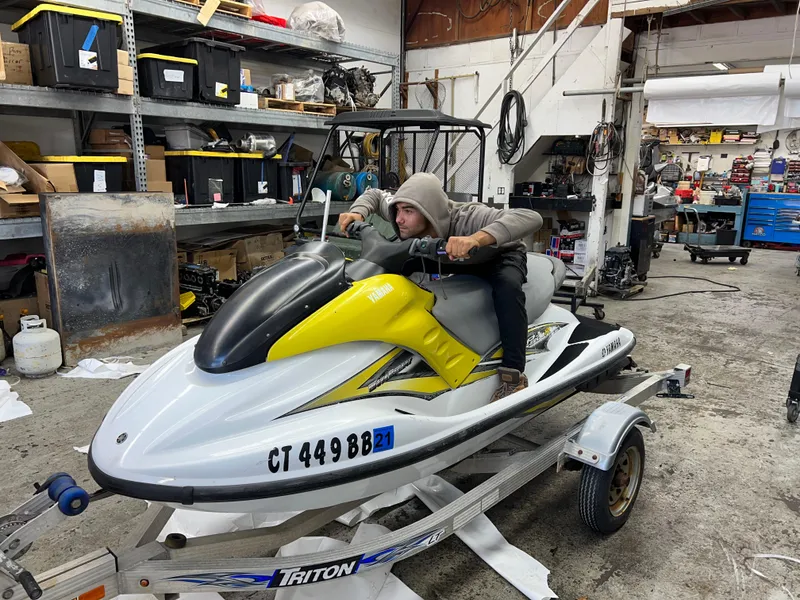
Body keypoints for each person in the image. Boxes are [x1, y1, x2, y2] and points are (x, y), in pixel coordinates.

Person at [338, 172, 542, 402]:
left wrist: (476, 238)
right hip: (444, 255)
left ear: (427, 212)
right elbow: (374, 194)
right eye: (399, 210)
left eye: (408, 211)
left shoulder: (469, 217)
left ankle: (513, 377)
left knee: (508, 289)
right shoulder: (401, 211)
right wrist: (357, 212)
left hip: (497, 256)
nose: (398, 219)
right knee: (394, 265)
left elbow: (530, 216)